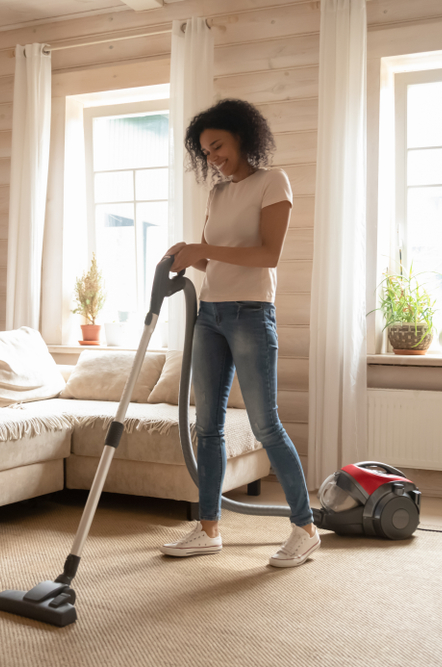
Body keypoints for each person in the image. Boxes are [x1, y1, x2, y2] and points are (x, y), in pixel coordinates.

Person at [159, 99, 319, 568]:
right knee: (206, 426)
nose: (213, 157)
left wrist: (205, 247)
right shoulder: (217, 194)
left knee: (265, 423)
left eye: (218, 146)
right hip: (209, 315)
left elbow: (267, 254)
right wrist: (190, 255)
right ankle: (208, 528)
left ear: (242, 137)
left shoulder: (273, 182)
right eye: (205, 151)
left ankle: (305, 529)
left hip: (251, 314)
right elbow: (218, 258)